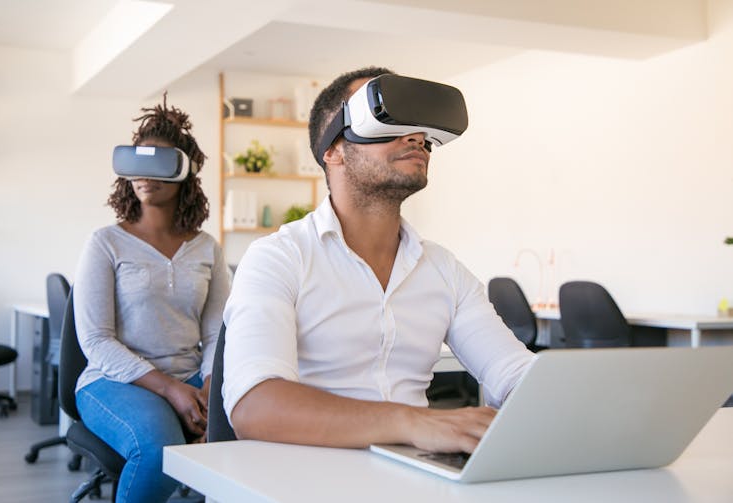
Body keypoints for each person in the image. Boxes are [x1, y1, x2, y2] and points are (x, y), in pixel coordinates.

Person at [222, 67, 534, 455]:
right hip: (305, 476)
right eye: (389, 119)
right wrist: (411, 420)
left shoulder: (444, 269)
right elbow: (255, 407)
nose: (416, 137)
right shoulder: (279, 258)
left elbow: (516, 375)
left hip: (416, 474)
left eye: (420, 129)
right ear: (332, 149)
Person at [74, 95, 230, 503]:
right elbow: (96, 341)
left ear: (185, 172)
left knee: (246, 432)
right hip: (114, 382)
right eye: (137, 162)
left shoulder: (207, 248)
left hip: (192, 376)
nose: (144, 175)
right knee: (158, 450)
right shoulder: (105, 243)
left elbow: (216, 332)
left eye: (159, 163)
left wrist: (210, 387)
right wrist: (170, 390)